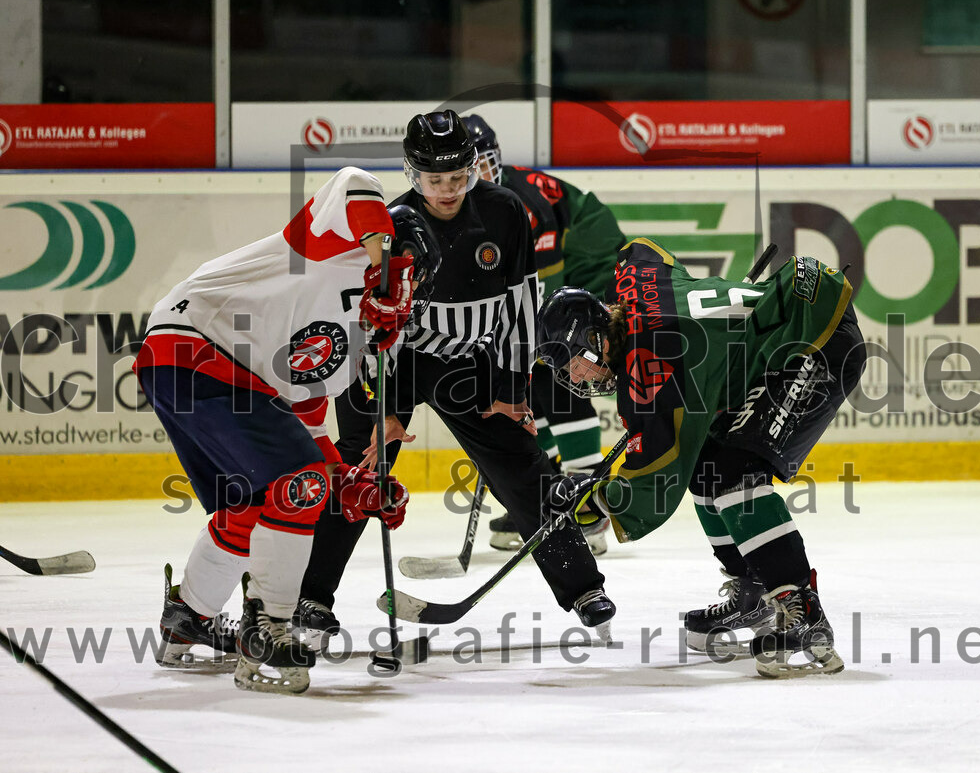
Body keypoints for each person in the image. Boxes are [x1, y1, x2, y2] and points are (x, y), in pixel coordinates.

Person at [298, 111, 616, 640]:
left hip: (468, 361)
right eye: (433, 180)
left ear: (472, 168)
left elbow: (520, 306)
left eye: (457, 177)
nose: (447, 190)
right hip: (392, 363)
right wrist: (382, 410)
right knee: (360, 472)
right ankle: (311, 597)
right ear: (411, 174)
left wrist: (512, 391)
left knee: (522, 465)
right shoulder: (392, 226)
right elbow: (366, 328)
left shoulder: (506, 212)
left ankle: (584, 587)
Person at [133, 167, 440, 694]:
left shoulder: (351, 347)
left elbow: (305, 427)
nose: (405, 295)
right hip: (196, 341)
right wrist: (384, 264)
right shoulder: (330, 241)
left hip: (189, 368)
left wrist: (349, 484)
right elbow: (352, 181)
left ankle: (188, 615)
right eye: (403, 277)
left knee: (262, 499)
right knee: (298, 482)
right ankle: (270, 624)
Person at [536, 239, 866, 678]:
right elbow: (639, 249)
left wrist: (594, 499)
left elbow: (657, 479)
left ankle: (802, 613)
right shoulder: (633, 289)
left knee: (734, 473)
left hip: (817, 336)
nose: (575, 377)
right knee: (709, 464)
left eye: (574, 364)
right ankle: (753, 591)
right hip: (797, 302)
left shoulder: (650, 370)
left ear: (594, 341)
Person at [461, 113, 627, 556]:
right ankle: (551, 501)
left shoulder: (523, 202)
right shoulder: (461, 207)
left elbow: (543, 293)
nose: (476, 175)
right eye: (465, 167)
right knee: (531, 392)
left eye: (483, 163)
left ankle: (591, 513)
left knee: (560, 373)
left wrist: (520, 344)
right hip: (556, 287)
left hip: (594, 268)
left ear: (495, 161)